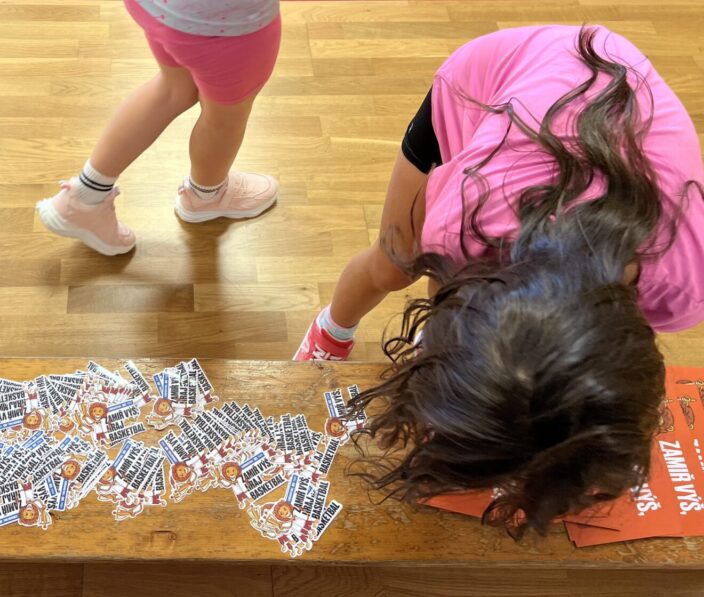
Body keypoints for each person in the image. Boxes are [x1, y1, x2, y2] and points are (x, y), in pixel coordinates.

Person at [296, 25, 703, 536]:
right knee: (393, 262)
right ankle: (329, 331)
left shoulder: (682, 286)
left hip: (593, 115)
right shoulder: (462, 226)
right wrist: (455, 391)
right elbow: (447, 317)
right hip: (491, 79)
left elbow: (608, 361)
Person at [37, 0, 282, 255]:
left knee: (173, 87)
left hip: (159, 9)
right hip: (226, 25)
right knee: (226, 118)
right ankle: (207, 197)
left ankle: (85, 196)